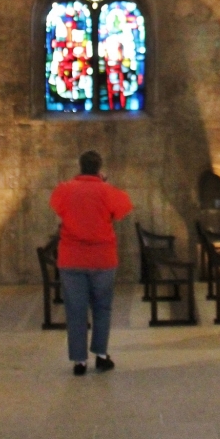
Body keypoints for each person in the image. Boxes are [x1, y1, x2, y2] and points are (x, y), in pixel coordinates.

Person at [49, 151, 132, 375]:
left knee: (75, 310)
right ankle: (101, 356)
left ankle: (79, 361)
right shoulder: (107, 191)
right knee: (102, 308)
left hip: (71, 259)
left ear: (80, 166)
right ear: (99, 168)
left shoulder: (65, 189)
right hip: (102, 259)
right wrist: (105, 184)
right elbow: (123, 208)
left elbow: (56, 205)